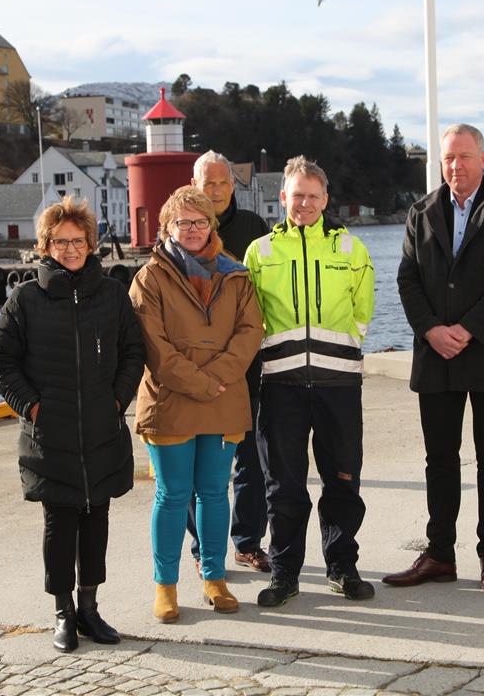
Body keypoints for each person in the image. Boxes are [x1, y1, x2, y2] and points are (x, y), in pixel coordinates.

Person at [0, 196, 144, 652]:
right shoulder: (26, 299)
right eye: (61, 242)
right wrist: (32, 407)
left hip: (102, 429)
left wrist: (117, 400)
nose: (71, 249)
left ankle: (91, 609)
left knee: (97, 519)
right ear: (46, 245)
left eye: (78, 241)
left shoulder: (113, 294)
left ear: (91, 243)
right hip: (48, 436)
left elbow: (133, 351)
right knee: (59, 524)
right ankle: (63, 612)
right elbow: (0, 361)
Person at [388, 124, 484, 593]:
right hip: (436, 356)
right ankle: (439, 554)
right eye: (448, 158)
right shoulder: (422, 211)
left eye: (464, 157)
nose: (456, 166)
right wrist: (432, 329)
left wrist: (468, 329)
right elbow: (408, 279)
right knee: (440, 460)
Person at [243, 156, 376, 607]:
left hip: (339, 385)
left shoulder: (350, 249)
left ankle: (342, 566)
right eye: (296, 195)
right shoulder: (259, 253)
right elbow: (250, 317)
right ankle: (284, 574)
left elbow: (363, 310)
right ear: (283, 197)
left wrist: (345, 348)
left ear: (325, 199)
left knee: (342, 481)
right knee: (284, 485)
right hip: (281, 386)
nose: (304, 203)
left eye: (313, 196)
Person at [129, 186, 263, 623]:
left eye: (200, 222)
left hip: (222, 399)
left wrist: (215, 379)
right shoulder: (149, 278)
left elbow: (250, 334)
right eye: (182, 222)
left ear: (212, 226)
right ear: (167, 227)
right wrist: (203, 384)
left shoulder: (237, 275)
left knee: (213, 493)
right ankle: (165, 586)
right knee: (172, 495)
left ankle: (214, 577)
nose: (192, 230)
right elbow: (154, 347)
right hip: (172, 400)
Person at [184, 150, 272, 574]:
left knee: (252, 457)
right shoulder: (180, 227)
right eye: (207, 183)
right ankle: (203, 545)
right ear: (194, 184)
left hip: (247, 362)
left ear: (232, 185)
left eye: (222, 183)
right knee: (195, 462)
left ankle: (248, 541)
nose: (214, 191)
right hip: (193, 367)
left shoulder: (255, 229)